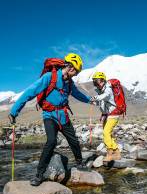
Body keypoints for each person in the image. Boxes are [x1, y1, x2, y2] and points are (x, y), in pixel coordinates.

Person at [9, 53, 91, 186]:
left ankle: (80, 162)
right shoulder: (49, 77)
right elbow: (30, 92)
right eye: (76, 71)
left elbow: (77, 94)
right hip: (49, 115)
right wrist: (14, 112)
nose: (75, 74)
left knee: (73, 140)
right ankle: (39, 175)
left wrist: (90, 100)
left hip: (63, 116)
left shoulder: (69, 83)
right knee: (51, 141)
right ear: (70, 67)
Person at [90, 72, 126, 163]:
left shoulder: (108, 89)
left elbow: (105, 96)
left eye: (96, 82)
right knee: (108, 135)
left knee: (106, 132)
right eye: (94, 82)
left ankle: (110, 154)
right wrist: (94, 102)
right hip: (107, 115)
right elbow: (101, 102)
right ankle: (117, 153)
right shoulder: (100, 90)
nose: (95, 84)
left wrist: (96, 97)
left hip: (113, 114)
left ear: (102, 80)